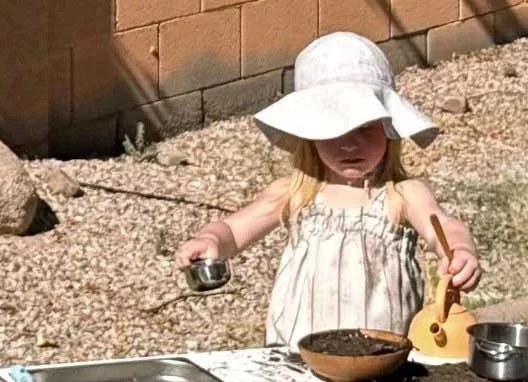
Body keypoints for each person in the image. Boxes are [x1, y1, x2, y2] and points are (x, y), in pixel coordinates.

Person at [175, 31, 480, 347]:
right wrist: (210, 240)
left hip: (382, 357)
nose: (350, 143)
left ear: (389, 128)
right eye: (333, 130)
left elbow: (443, 226)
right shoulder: (295, 193)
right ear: (310, 134)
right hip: (298, 356)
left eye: (364, 127)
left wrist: (459, 251)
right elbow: (234, 230)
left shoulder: (402, 195)